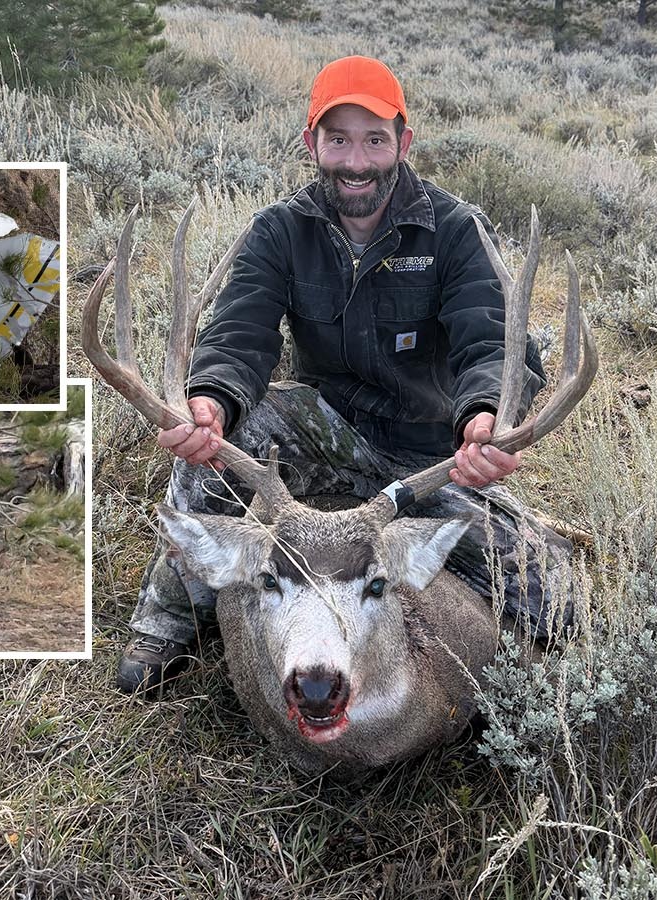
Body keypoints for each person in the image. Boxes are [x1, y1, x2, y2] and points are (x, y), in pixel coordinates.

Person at [116, 56, 576, 696]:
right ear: (313, 144)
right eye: (339, 140)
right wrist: (211, 399)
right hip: (321, 431)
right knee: (212, 451)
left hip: (426, 457)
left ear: (403, 144)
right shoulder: (281, 231)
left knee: (550, 596)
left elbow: (492, 338)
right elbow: (237, 333)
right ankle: (167, 619)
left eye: (374, 140)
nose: (357, 161)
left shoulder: (454, 230)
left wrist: (484, 418)